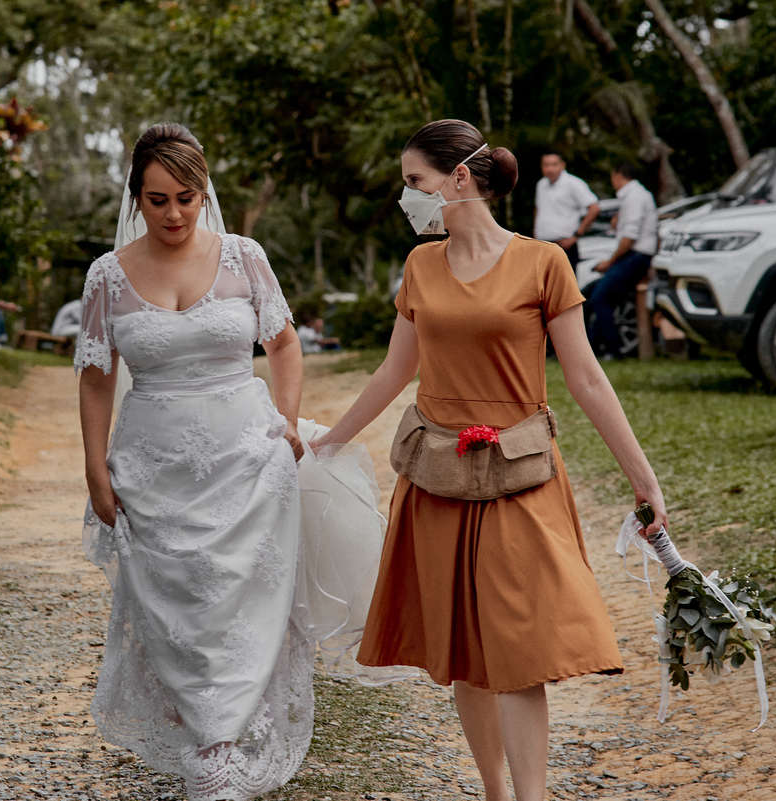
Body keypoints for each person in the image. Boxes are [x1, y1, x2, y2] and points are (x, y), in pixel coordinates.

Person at [309, 119, 668, 801]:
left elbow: (587, 378)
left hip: (520, 476)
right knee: (466, 653)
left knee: (518, 648)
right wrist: (327, 439)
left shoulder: (543, 263)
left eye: (414, 181)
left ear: (458, 178)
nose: (407, 195)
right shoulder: (420, 266)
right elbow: (394, 371)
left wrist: (643, 478)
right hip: (437, 478)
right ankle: (495, 793)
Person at [76, 123, 312, 801]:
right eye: (158, 200)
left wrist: (288, 423)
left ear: (205, 193)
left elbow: (283, 343)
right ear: (136, 199)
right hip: (151, 466)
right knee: (172, 600)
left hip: (246, 458)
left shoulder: (243, 256)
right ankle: (200, 731)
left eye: (187, 198)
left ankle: (223, 743)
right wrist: (96, 468)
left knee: (243, 596)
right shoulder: (108, 275)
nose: (175, 214)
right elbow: (95, 376)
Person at [588, 162, 658, 359]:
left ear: (618, 175)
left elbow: (630, 237)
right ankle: (593, 346)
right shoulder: (635, 196)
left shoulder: (635, 196)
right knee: (602, 296)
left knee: (600, 297)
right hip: (634, 256)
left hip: (636, 256)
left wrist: (610, 262)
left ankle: (612, 349)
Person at [533, 149, 600, 269]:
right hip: (543, 244)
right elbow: (539, 209)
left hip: (564, 245)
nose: (550, 169)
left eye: (554, 164)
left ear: (562, 165)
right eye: (546, 165)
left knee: (565, 280)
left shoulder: (573, 183)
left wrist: (576, 235)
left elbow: (594, 208)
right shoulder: (541, 184)